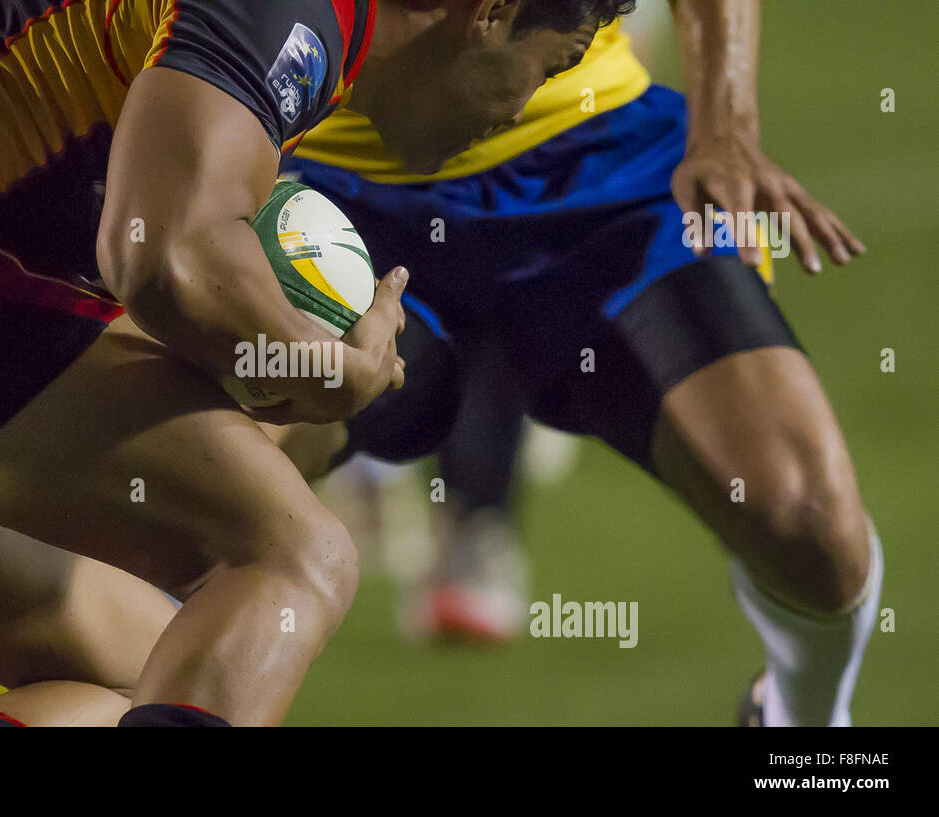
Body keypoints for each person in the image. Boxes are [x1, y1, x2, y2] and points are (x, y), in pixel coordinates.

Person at [0, 0, 617, 727]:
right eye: (551, 63)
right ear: (489, 13)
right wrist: (328, 374)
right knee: (292, 552)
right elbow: (166, 256)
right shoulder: (307, 12)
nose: (524, 104)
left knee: (145, 670)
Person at [288, 0, 881, 726]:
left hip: (597, 168)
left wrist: (724, 129)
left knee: (809, 517)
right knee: (196, 490)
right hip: (330, 201)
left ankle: (804, 729)